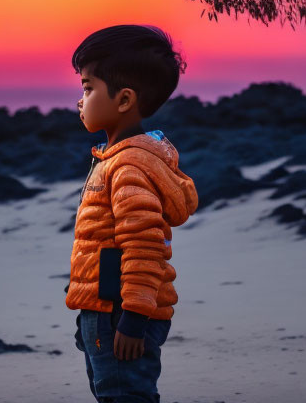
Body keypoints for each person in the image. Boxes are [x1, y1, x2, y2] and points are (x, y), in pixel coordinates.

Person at [66, 24, 199, 403]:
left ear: (124, 100)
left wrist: (134, 318)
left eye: (88, 88)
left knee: (125, 395)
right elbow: (100, 242)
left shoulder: (129, 168)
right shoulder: (112, 161)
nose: (80, 100)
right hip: (104, 309)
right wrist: (84, 303)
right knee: (112, 392)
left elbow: (144, 245)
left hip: (122, 313)